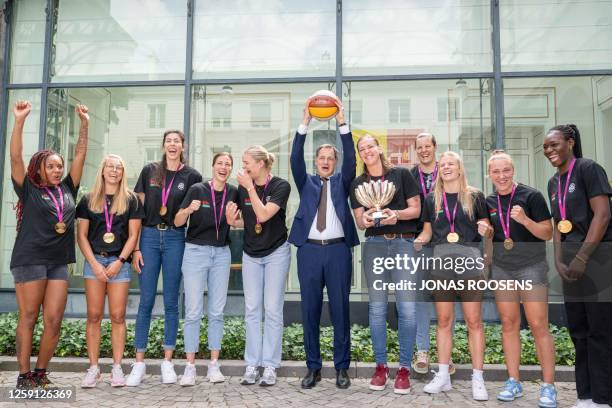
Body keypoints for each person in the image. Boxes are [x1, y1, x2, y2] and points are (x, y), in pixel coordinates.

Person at [10, 101, 89, 388]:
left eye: (60, 166)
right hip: (30, 258)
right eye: (51, 166)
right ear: (39, 170)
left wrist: (84, 124)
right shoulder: (28, 189)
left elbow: (80, 153)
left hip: (58, 260)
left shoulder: (68, 188)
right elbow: (16, 157)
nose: (57, 170)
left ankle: (41, 374)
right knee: (29, 316)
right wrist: (19, 121)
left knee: (54, 319)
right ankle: (23, 375)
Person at [289, 97, 358, 389]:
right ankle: (313, 368)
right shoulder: (306, 183)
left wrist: (342, 123)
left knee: (341, 310)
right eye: (322, 158)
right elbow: (294, 158)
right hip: (309, 252)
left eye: (331, 158)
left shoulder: (343, 181)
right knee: (310, 311)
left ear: (336, 162)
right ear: (316, 162)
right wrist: (305, 122)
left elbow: (353, 159)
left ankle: (342, 368)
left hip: (339, 251)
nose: (326, 161)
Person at [543, 124, 612, 408]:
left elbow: (603, 215)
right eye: (546, 147)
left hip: (597, 260)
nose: (549, 150)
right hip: (570, 264)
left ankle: (604, 397)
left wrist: (583, 258)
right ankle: (585, 395)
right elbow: (558, 225)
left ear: (570, 143)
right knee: (579, 330)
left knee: (600, 330)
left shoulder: (588, 169)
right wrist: (559, 260)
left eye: (554, 144)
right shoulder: (553, 183)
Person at [415, 151, 492, 401]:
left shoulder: (475, 196)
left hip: (470, 263)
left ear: (460, 169)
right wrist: (418, 241)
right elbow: (427, 233)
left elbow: (487, 230)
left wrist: (486, 230)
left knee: (474, 322)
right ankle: (443, 376)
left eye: (452, 164)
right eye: (443, 164)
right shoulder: (431, 199)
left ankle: (478, 378)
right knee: (444, 321)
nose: (446, 167)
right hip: (441, 264)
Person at [127, 130, 202, 386]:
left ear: (183, 146)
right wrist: (135, 248)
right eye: (169, 141)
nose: (172, 144)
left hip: (174, 238)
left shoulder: (191, 176)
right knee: (145, 300)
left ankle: (167, 361)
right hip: (148, 237)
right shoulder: (150, 171)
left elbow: (194, 212)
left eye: (177, 141)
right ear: (163, 145)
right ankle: (139, 363)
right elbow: (137, 211)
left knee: (171, 301)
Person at [349, 134, 421, 394]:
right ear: (359, 154)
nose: (367, 151)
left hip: (403, 243)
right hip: (375, 246)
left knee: (407, 308)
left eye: (370, 146)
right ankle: (381, 366)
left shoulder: (401, 175)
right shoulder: (358, 183)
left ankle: (403, 368)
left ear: (379, 148)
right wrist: (367, 218)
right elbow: (360, 221)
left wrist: (395, 215)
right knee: (377, 308)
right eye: (362, 148)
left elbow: (416, 209)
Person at [486, 150, 557, 407]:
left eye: (506, 170)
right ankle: (513, 380)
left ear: (513, 170)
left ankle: (548, 386)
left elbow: (547, 232)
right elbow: (491, 239)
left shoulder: (532, 196)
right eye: (496, 171)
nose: (502, 176)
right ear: (489, 174)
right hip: (503, 269)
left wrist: (525, 220)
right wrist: (486, 232)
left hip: (532, 267)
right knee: (508, 324)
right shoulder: (489, 200)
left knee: (538, 325)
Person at [226, 145, 291, 387]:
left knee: (272, 309)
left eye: (247, 164)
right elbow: (250, 221)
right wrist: (234, 222)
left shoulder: (280, 186)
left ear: (261, 164)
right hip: (251, 254)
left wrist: (250, 188)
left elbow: (263, 215)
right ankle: (252, 364)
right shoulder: (243, 189)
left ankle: (271, 365)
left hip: (276, 252)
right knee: (252, 310)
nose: (243, 169)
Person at [77, 154, 143, 388]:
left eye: (119, 168)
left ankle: (116, 367)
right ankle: (94, 368)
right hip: (94, 262)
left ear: (122, 173)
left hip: (119, 263)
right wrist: (94, 264)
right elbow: (81, 236)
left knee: (117, 316)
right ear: (103, 170)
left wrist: (121, 261)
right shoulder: (88, 200)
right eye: (110, 167)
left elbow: (134, 235)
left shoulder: (131, 200)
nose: (115, 171)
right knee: (94, 316)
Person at [174, 152, 238, 386]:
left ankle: (213, 365)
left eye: (228, 164)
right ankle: (190, 367)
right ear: (212, 167)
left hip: (221, 254)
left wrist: (236, 219)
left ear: (231, 169)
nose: (223, 167)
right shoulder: (197, 190)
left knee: (217, 312)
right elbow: (177, 222)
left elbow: (240, 220)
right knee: (192, 311)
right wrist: (188, 210)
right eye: (220, 163)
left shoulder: (233, 192)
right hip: (195, 252)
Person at [409, 133, 456, 376]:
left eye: (428, 146)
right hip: (419, 242)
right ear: (416, 150)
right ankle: (423, 350)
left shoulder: (448, 170)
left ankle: (445, 356)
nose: (424, 150)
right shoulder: (409, 175)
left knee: (445, 299)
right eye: (420, 147)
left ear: (435, 147)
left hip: (446, 244)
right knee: (420, 299)